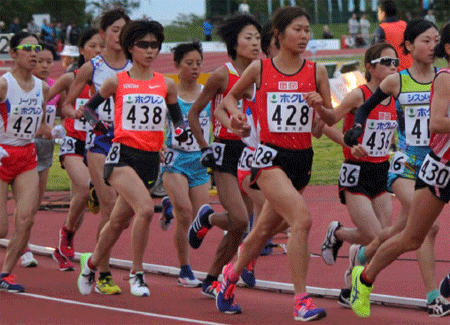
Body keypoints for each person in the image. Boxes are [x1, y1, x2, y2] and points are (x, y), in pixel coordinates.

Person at [214, 6, 335, 321]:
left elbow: (331, 119)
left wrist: (322, 107)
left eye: (307, 29)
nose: (304, 35)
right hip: (268, 158)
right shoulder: (260, 69)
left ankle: (228, 276)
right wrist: (236, 116)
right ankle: (301, 301)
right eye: (297, 29)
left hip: (301, 160)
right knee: (302, 220)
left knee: (264, 230)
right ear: (279, 35)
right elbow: (229, 99)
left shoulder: (317, 71)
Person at [344, 19, 450, 318]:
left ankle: (362, 255)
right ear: (410, 46)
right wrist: (358, 127)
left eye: (435, 40)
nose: (432, 46)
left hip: (436, 159)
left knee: (403, 231)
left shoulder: (442, 76)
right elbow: (365, 107)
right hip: (408, 164)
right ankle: (433, 296)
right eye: (426, 41)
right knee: (426, 230)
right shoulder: (398, 81)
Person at [77, 19, 187, 297]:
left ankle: (90, 265)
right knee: (146, 210)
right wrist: (102, 126)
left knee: (116, 223)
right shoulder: (117, 81)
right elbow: (88, 110)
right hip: (121, 157)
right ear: (130, 47)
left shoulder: (166, 85)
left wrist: (183, 133)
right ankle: (137, 274)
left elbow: (178, 121)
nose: (150, 51)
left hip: (150, 160)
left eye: (155, 45)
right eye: (143, 45)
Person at [187, 14, 260, 302]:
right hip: (225, 153)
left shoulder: (261, 73)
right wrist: (205, 147)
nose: (255, 43)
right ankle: (209, 218)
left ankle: (211, 278)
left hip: (252, 154)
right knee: (240, 219)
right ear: (234, 43)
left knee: (241, 225)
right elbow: (194, 113)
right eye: (248, 38)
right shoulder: (222, 74)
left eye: (257, 37)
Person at [319, 42, 398, 307]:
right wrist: (349, 144)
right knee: (376, 238)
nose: (392, 66)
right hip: (356, 172)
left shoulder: (395, 97)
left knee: (381, 240)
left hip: (381, 171)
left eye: (395, 62)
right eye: (386, 61)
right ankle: (354, 277)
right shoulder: (358, 96)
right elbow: (323, 124)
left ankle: (339, 235)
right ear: (370, 67)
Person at [59, 8, 131, 295]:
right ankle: (103, 272)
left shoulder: (136, 66)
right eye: (114, 29)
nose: (118, 35)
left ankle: (94, 258)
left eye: (124, 30)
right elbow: (67, 104)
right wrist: (78, 113)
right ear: (103, 34)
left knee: (125, 214)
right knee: (110, 206)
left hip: (128, 143)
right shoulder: (93, 67)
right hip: (99, 141)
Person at [47, 28, 103, 272]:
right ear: (81, 50)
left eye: (101, 46)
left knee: (78, 202)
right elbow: (46, 101)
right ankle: (66, 233)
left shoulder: (106, 82)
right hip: (72, 141)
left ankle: (62, 248)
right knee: (84, 187)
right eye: (93, 46)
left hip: (96, 144)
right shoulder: (71, 78)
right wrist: (51, 122)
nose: (98, 51)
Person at [0, 31, 52, 292]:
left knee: (26, 218)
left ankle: (5, 274)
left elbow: (39, 119)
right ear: (13, 54)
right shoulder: (4, 84)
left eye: (37, 47)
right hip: (1, 156)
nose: (34, 53)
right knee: (1, 228)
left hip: (26, 156)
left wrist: (47, 128)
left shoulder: (42, 87)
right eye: (27, 48)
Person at [159, 41, 210, 288]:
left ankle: (168, 206)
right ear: (177, 66)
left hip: (200, 162)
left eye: (198, 63)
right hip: (175, 160)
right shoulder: (169, 94)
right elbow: (156, 124)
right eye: (189, 63)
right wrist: (159, 144)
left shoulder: (207, 94)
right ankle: (184, 269)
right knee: (185, 213)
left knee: (198, 219)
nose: (195, 67)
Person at [372, 0, 412, 71]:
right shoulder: (406, 25)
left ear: (383, 14)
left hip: (393, 73)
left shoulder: (381, 29)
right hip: (411, 71)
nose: (378, 14)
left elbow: (374, 54)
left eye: (378, 12)